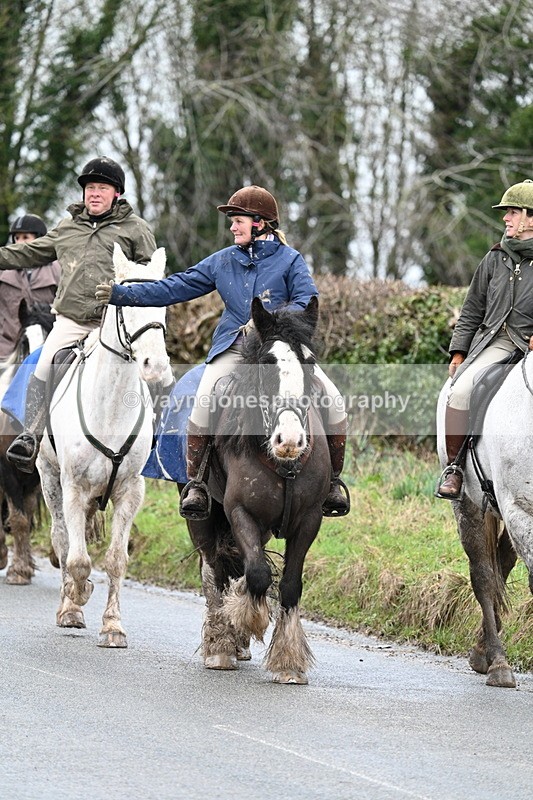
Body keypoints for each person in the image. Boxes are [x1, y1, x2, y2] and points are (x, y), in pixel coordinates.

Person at [96, 185, 350, 519]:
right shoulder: (223, 260)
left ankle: (332, 482)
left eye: (238, 220)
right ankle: (198, 484)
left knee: (333, 400)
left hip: (280, 352)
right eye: (232, 220)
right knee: (203, 403)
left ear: (260, 223)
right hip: (233, 348)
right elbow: (177, 286)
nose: (232, 227)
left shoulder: (291, 261)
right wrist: (124, 295)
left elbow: (306, 299)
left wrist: (274, 325)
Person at [0, 156, 168, 473]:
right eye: (90, 187)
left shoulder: (135, 229)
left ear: (116, 192)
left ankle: (151, 434)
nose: (94, 193)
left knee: (151, 363)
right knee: (43, 363)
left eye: (101, 187)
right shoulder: (67, 228)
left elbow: (151, 278)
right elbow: (27, 252)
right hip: (73, 321)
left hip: (117, 323)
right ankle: (30, 435)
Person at [436, 178, 533, 498]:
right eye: (505, 212)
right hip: (498, 343)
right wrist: (459, 351)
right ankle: (455, 468)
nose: (505, 218)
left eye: (512, 212)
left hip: (530, 345)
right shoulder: (494, 258)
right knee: (461, 390)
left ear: (530, 217)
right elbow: (471, 310)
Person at [0, 215, 60, 359]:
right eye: (17, 238)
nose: (19, 242)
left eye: (25, 237)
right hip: (5, 346)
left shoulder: (58, 268)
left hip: (45, 346)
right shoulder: (2, 270)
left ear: (40, 239)